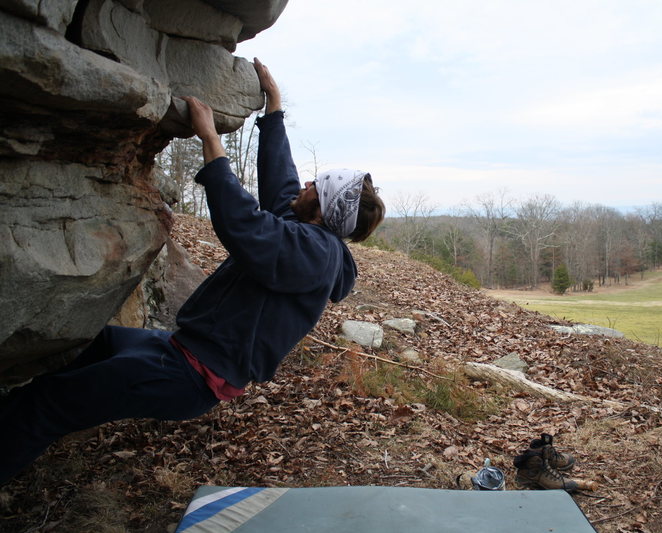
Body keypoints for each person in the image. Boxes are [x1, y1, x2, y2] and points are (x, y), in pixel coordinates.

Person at [0, 58, 385, 485]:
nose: (306, 185)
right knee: (91, 345)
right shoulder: (306, 234)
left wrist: (210, 141)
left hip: (188, 374)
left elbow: (244, 224)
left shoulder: (314, 254)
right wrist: (273, 112)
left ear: (324, 208)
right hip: (179, 352)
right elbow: (282, 187)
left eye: (317, 186)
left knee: (47, 404)